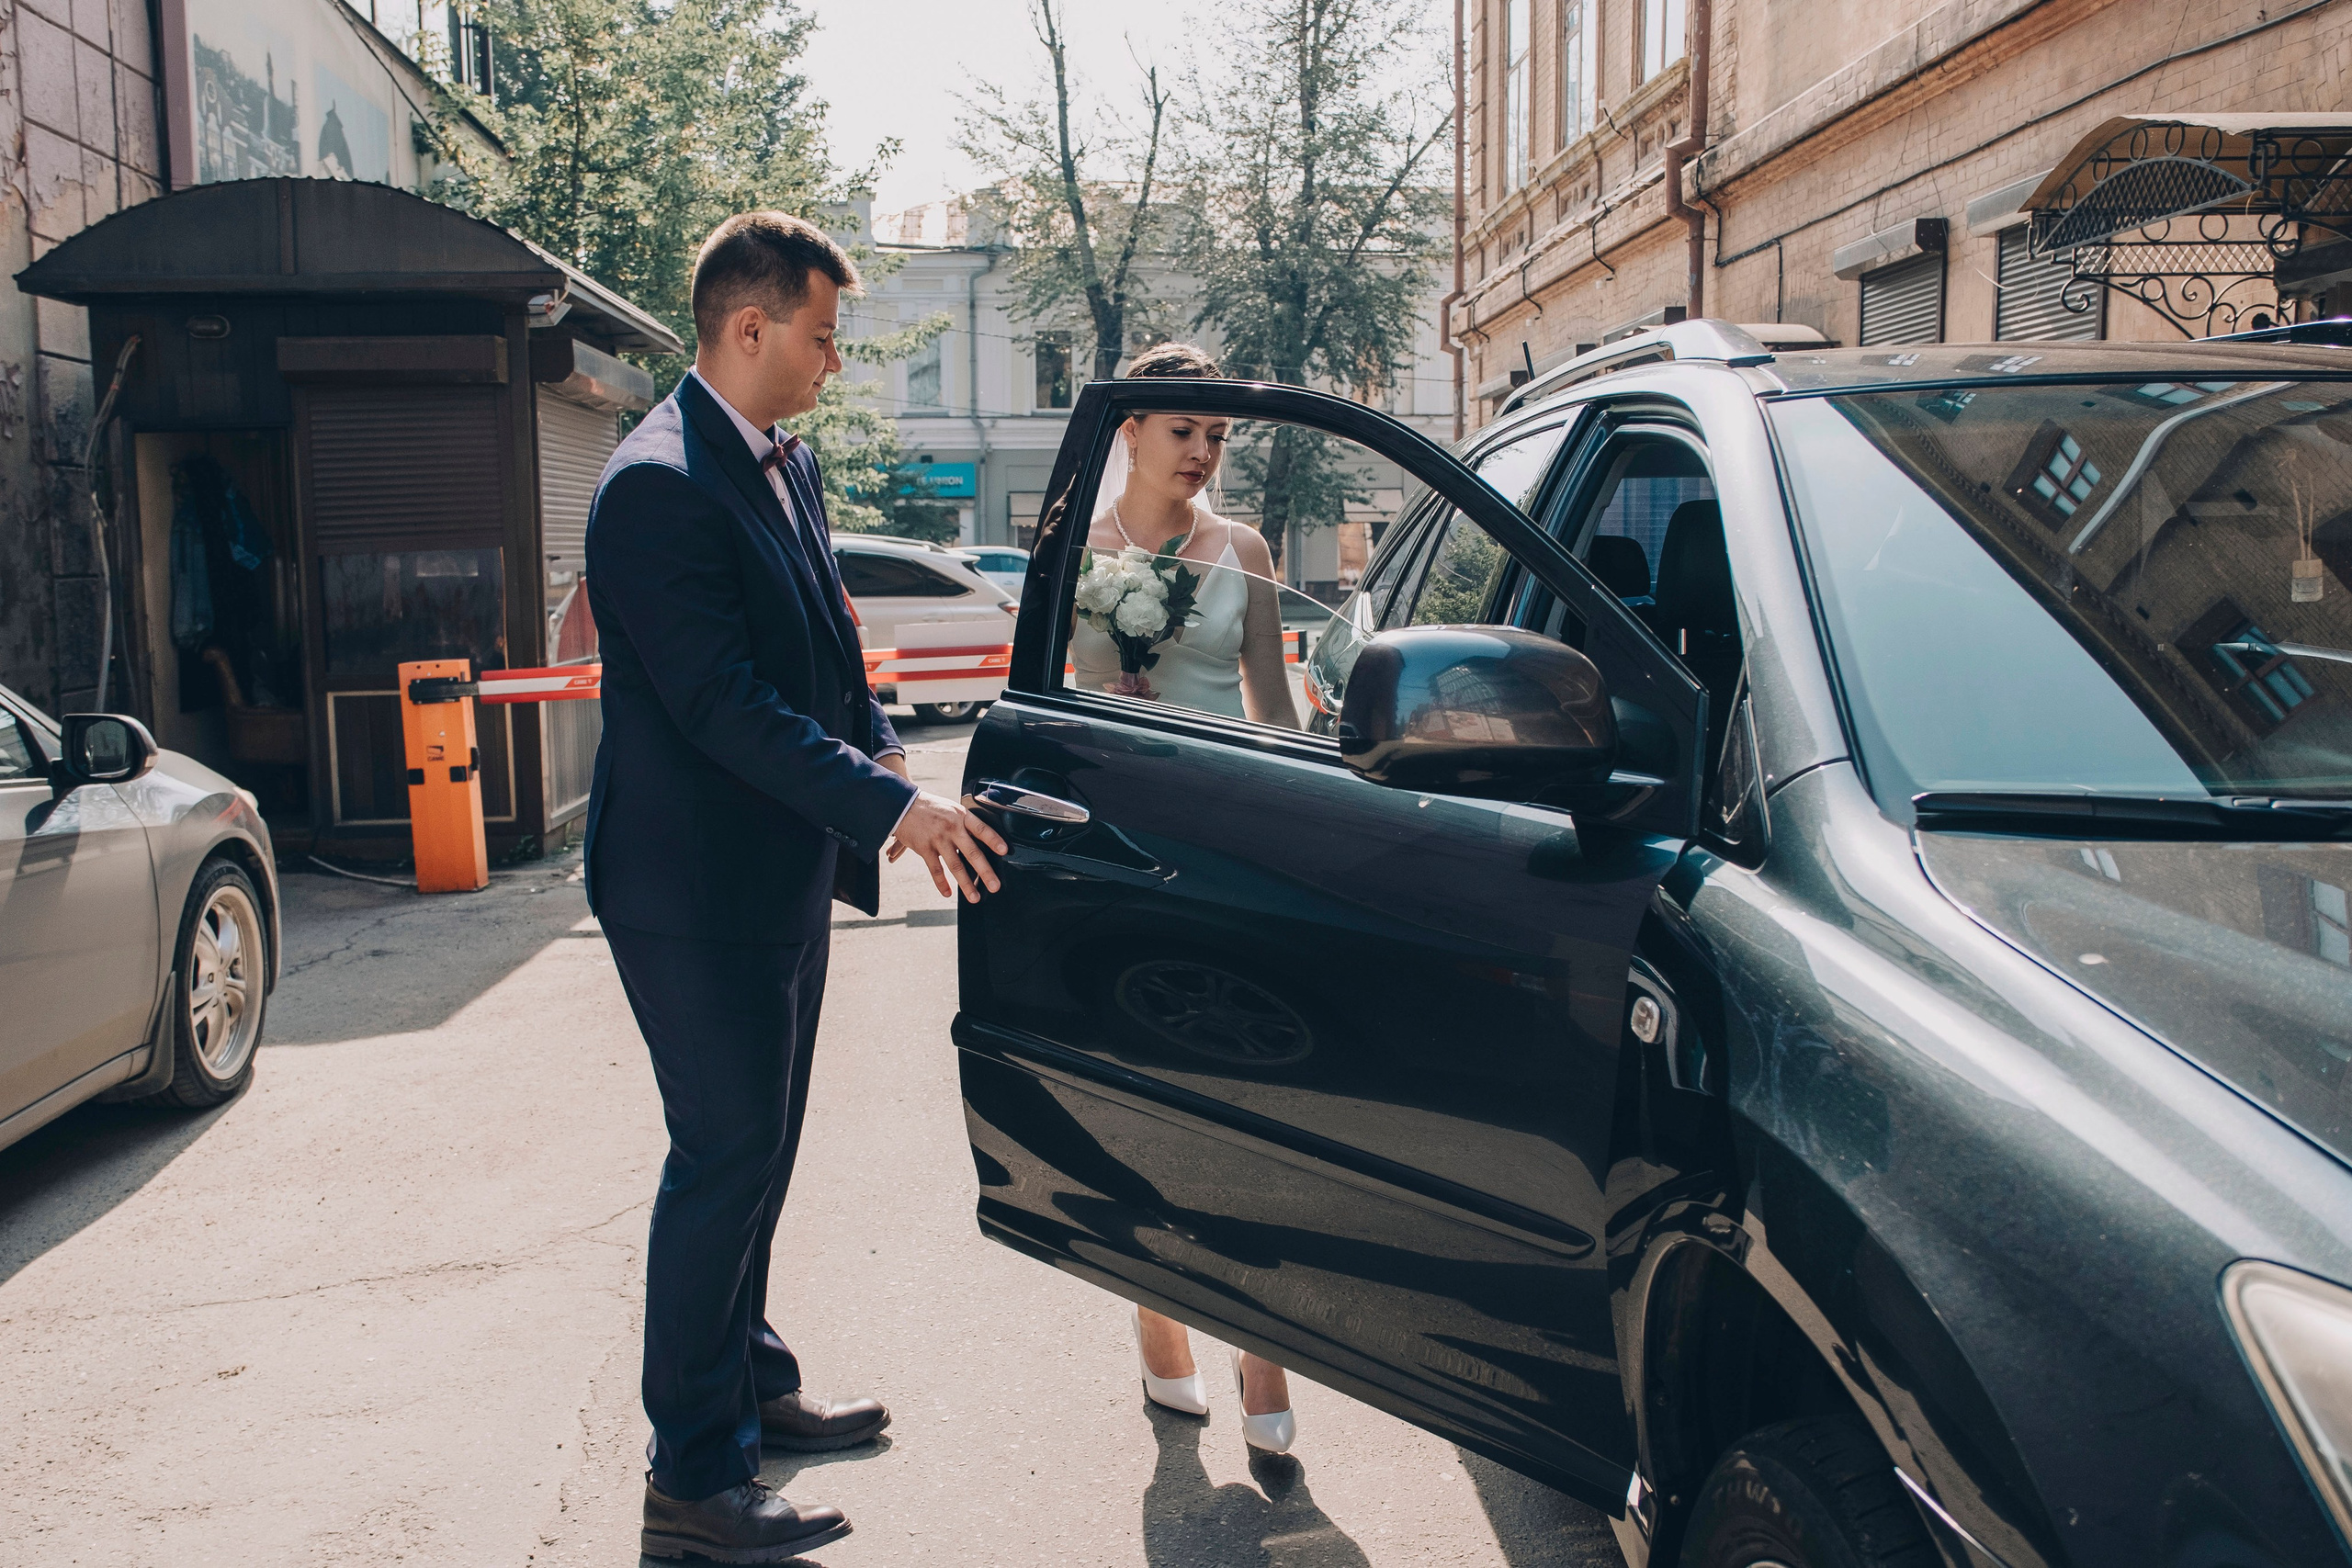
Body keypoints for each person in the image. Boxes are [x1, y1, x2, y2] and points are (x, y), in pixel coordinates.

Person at [583, 210, 1007, 1562]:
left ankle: (751, 1386)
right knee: (720, 1158)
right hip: (688, 886)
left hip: (771, 874)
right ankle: (693, 1477)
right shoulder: (654, 482)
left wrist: (884, 742)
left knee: (759, 1149)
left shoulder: (782, 457)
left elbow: (823, 635)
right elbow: (721, 707)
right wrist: (895, 805)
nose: (835, 362)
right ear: (749, 327)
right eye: (822, 337)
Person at [1071, 342, 1300, 1452]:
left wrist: (1315, 847)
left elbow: (1277, 711)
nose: (1204, 452)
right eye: (1183, 431)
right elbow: (1037, 702)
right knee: (1143, 1108)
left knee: (1258, 1111)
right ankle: (1161, 1322)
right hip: (1114, 856)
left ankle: (1267, 1348)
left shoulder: (1246, 550)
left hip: (1231, 852)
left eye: (1218, 436)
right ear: (1130, 428)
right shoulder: (1069, 542)